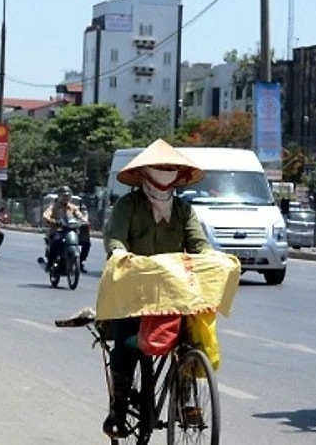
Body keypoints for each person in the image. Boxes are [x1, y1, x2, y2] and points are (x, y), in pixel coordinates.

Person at [101, 138, 210, 438]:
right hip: (133, 291)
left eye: (170, 169)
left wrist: (213, 258)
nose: (164, 173)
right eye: (159, 168)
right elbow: (115, 239)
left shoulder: (184, 210)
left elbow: (199, 245)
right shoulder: (128, 206)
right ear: (145, 174)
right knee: (126, 346)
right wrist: (121, 254)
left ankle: (186, 399)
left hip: (173, 291)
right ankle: (118, 411)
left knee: (190, 340)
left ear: (178, 176)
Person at [41, 185, 91, 273]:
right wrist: (53, 221)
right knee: (56, 241)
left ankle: (80, 262)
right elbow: (46, 215)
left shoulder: (72, 207)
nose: (65, 198)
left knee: (86, 243)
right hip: (58, 230)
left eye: (68, 196)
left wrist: (84, 221)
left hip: (71, 231)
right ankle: (50, 264)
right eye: (63, 196)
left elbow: (80, 216)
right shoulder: (54, 206)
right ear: (59, 196)